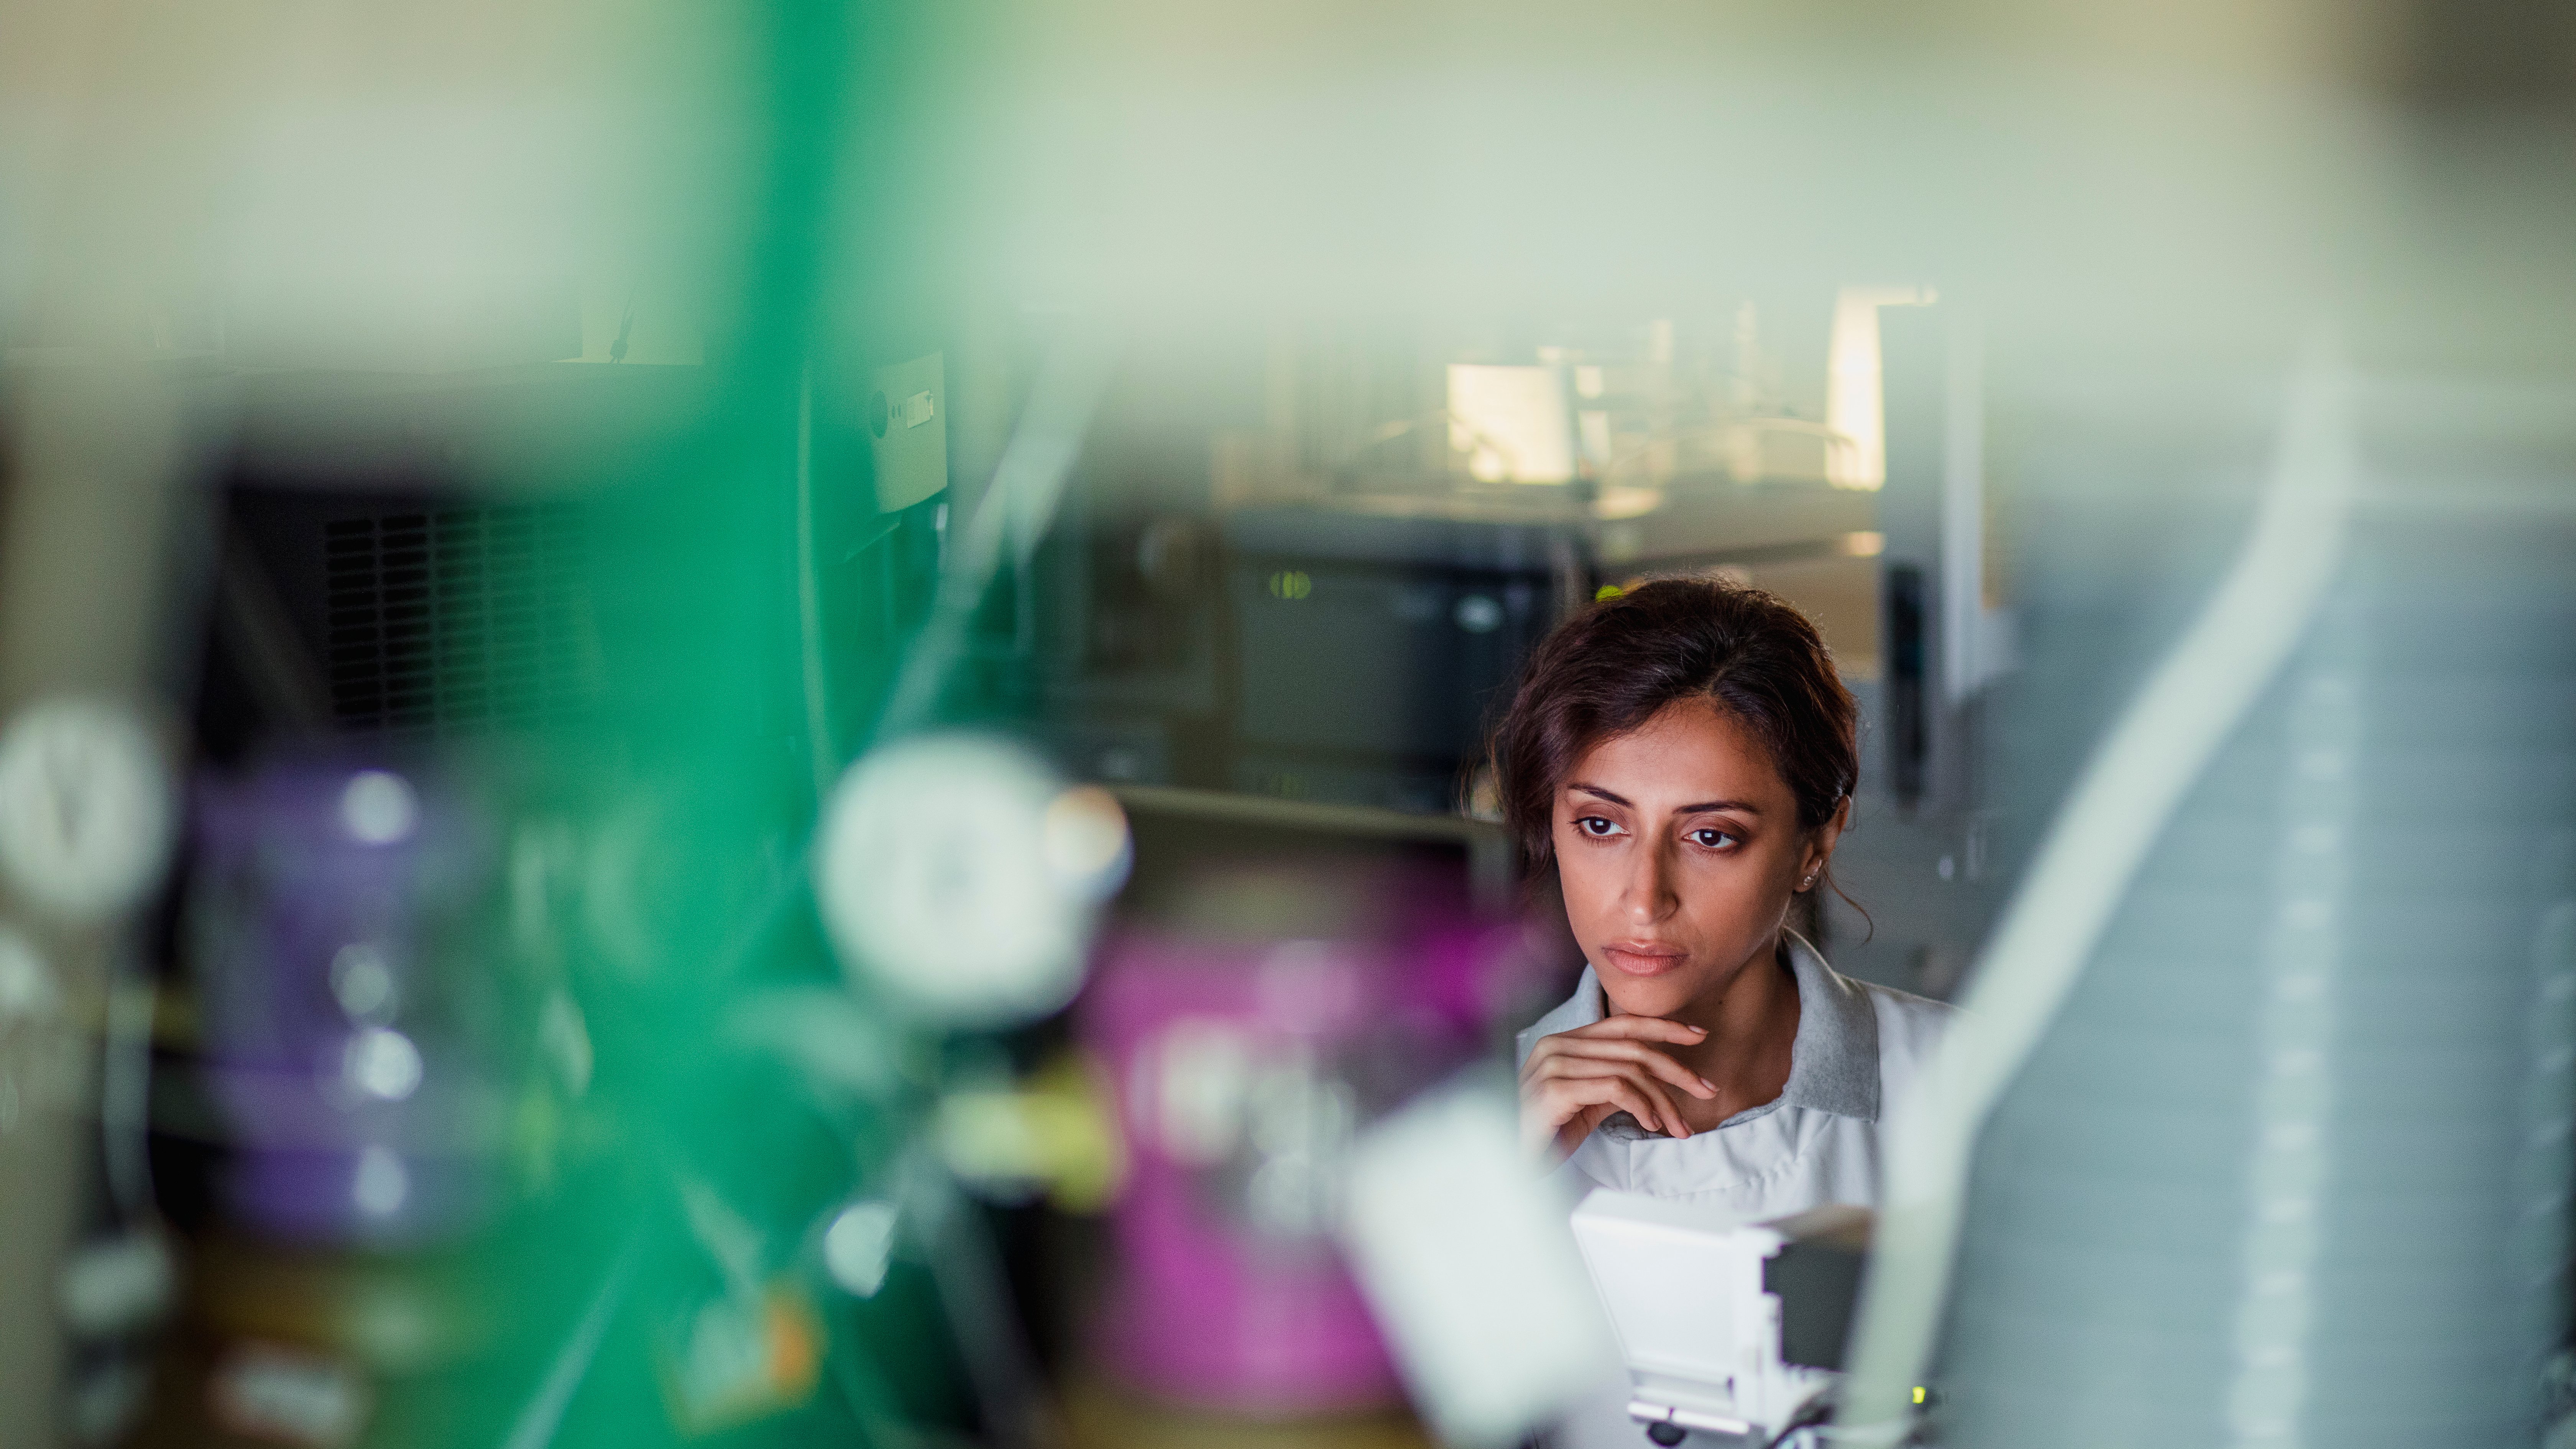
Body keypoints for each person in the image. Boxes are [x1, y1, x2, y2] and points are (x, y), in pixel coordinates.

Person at [1496, 577, 1955, 1219]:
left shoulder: (1965, 1082)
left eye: (1710, 836)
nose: (1644, 900)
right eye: (1601, 825)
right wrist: (1493, 1183)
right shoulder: (1462, 1118)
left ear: (1815, 845)